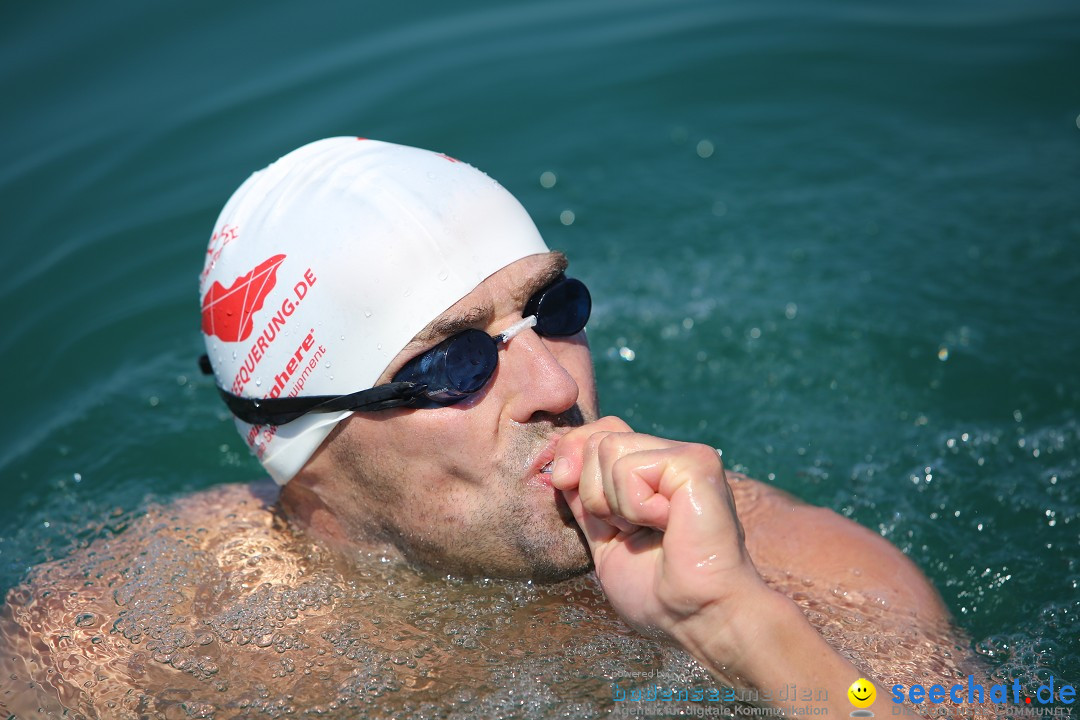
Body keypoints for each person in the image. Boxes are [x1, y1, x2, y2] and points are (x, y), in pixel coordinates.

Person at [0, 138, 991, 719]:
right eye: (453, 365)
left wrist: (744, 633)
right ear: (304, 450)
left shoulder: (800, 575)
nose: (557, 381)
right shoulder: (120, 642)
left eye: (552, 310)